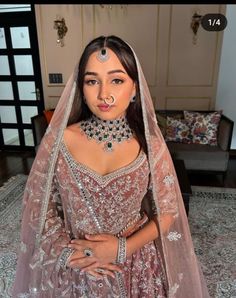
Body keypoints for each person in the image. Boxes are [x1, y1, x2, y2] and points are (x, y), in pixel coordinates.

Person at [12, 35, 210, 297]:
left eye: (116, 80)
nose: (104, 94)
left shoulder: (150, 145)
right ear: (81, 88)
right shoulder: (58, 141)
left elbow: (168, 210)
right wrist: (71, 254)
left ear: (135, 88)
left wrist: (121, 248)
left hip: (136, 266)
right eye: (92, 81)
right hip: (76, 268)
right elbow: (38, 207)